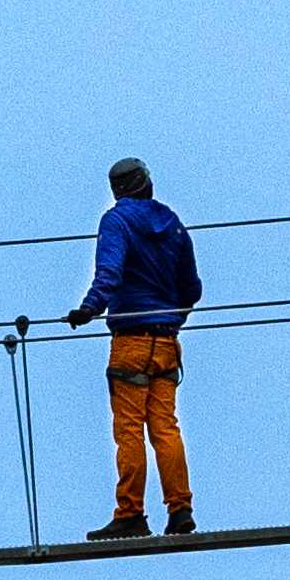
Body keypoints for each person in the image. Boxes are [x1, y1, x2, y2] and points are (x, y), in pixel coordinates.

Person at [76, 162, 200, 543]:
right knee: (166, 427)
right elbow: (192, 287)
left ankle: (130, 513)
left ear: (117, 191)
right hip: (166, 343)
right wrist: (172, 318)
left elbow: (109, 275)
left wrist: (88, 309)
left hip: (130, 341)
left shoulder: (116, 222)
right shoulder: (173, 223)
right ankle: (180, 509)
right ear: (147, 183)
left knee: (129, 431)